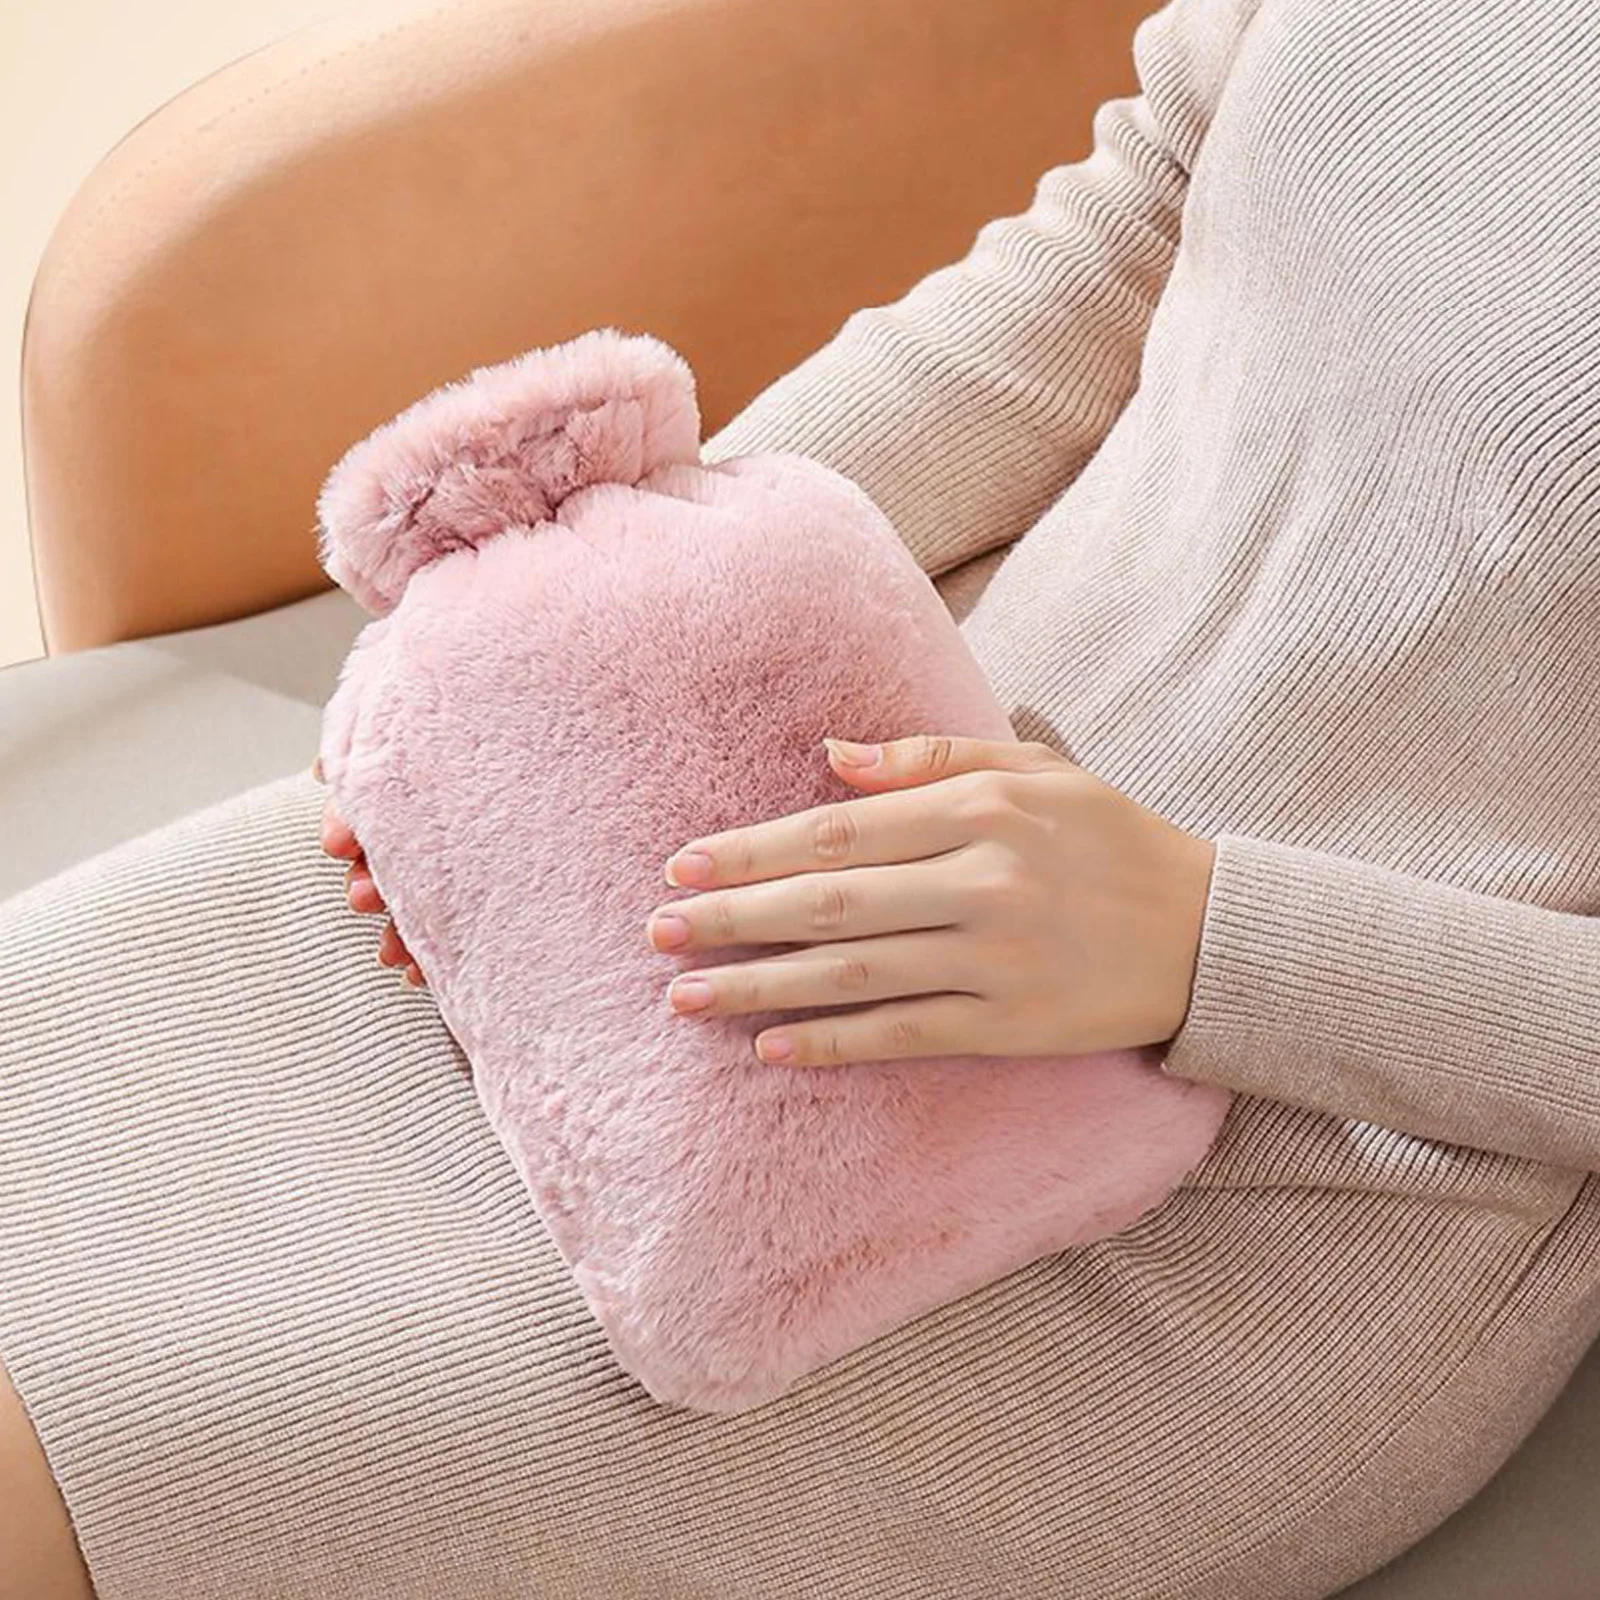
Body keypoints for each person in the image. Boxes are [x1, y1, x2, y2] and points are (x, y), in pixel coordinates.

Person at [5, 0, 1600, 1593]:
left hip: (1283, 1173)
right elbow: (1140, 226)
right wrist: (603, 655)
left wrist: (1208, 945)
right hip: (786, 783)